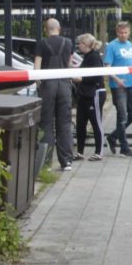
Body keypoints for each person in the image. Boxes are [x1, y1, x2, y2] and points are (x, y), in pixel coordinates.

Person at [34, 18, 76, 171]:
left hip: (48, 86)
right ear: (59, 29)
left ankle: (46, 163)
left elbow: (36, 68)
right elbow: (69, 65)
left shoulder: (41, 43)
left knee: (46, 123)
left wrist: (39, 85)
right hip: (64, 85)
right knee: (64, 123)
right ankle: (66, 162)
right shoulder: (68, 43)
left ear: (46, 29)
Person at [103, 21, 132, 157]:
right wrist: (117, 80)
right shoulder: (112, 46)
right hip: (118, 86)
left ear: (129, 32)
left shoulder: (130, 45)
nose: (123, 35)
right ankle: (124, 147)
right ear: (117, 33)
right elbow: (107, 67)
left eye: (125, 32)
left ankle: (113, 137)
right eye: (121, 33)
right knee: (122, 116)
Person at [72, 33, 107, 162]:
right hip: (84, 94)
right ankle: (80, 152)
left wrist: (81, 79)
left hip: (95, 93)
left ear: (86, 44)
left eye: (80, 43)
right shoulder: (87, 57)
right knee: (80, 123)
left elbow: (98, 77)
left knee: (96, 122)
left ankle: (99, 152)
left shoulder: (94, 57)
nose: (78, 45)